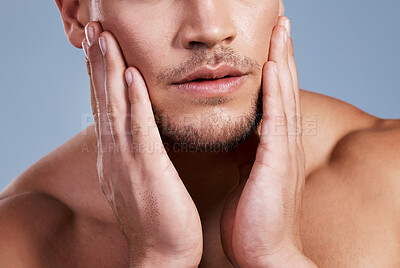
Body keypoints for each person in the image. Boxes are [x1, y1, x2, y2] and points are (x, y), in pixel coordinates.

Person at [1, 0, 399, 267]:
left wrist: (275, 257)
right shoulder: (16, 242)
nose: (210, 29)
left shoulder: (391, 175)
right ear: (75, 14)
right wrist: (159, 259)